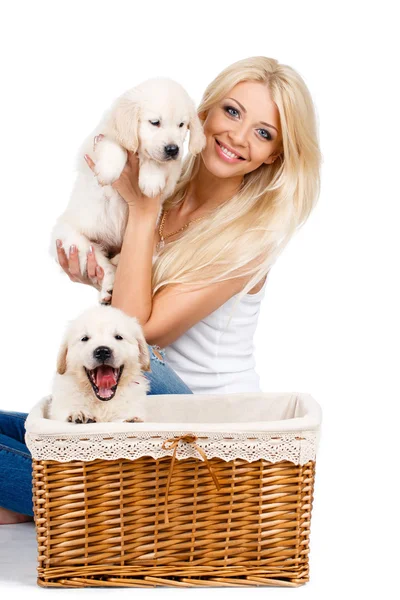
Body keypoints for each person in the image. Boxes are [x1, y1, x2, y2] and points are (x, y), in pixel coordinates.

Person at [0, 56, 321, 524]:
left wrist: (141, 207)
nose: (237, 135)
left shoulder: (250, 237)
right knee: (37, 424)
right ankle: (45, 503)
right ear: (202, 114)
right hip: (134, 405)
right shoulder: (169, 184)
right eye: (232, 112)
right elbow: (124, 284)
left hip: (197, 423)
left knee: (116, 355)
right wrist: (94, 266)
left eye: (263, 133)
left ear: (275, 154)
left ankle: (61, 501)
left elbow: (138, 332)